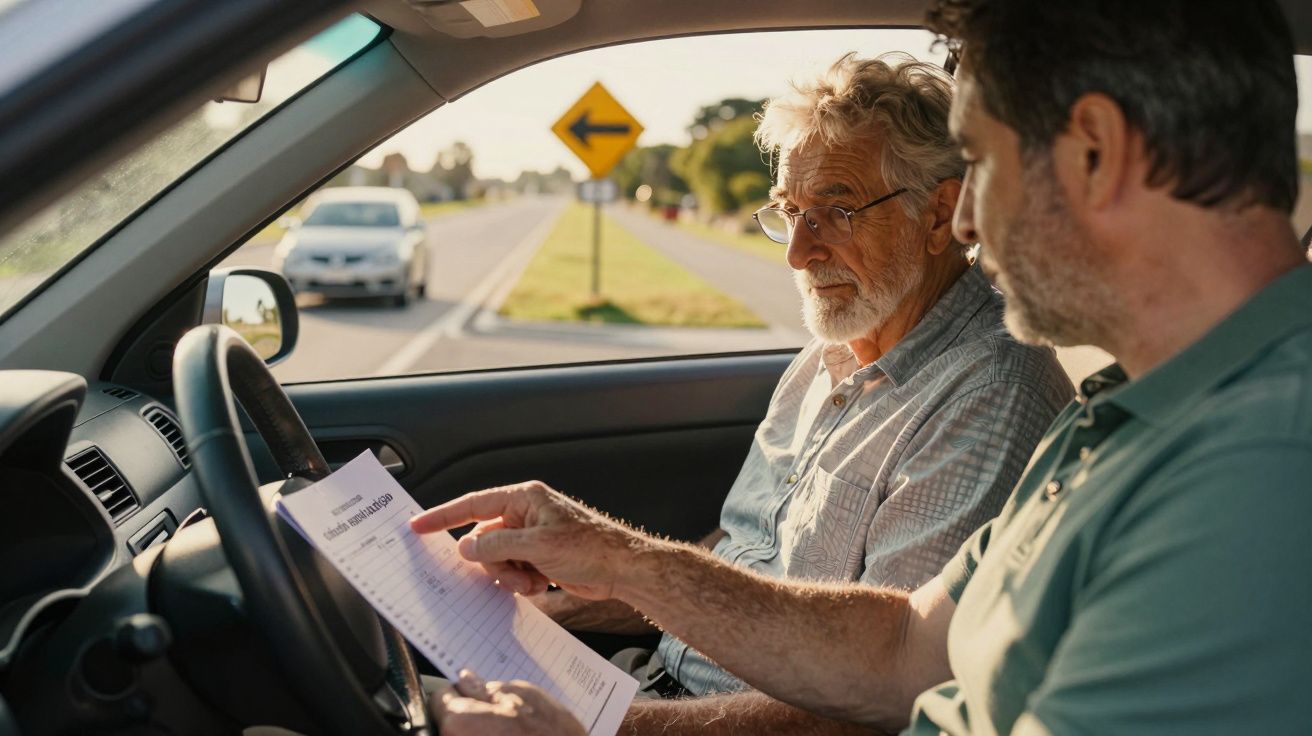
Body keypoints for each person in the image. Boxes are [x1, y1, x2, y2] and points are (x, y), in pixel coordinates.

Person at [416, 1, 1312, 734]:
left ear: (1093, 150)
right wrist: (620, 563)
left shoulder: (1260, 468)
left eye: (987, 166)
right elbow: (902, 654)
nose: (966, 226)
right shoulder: (1122, 416)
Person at [532, 51, 1071, 709]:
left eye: (835, 212)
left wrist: (604, 726)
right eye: (789, 211)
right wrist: (563, 609)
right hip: (653, 685)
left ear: (939, 215)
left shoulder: (988, 393)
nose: (797, 250)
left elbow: (881, 697)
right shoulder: (831, 347)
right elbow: (744, 555)